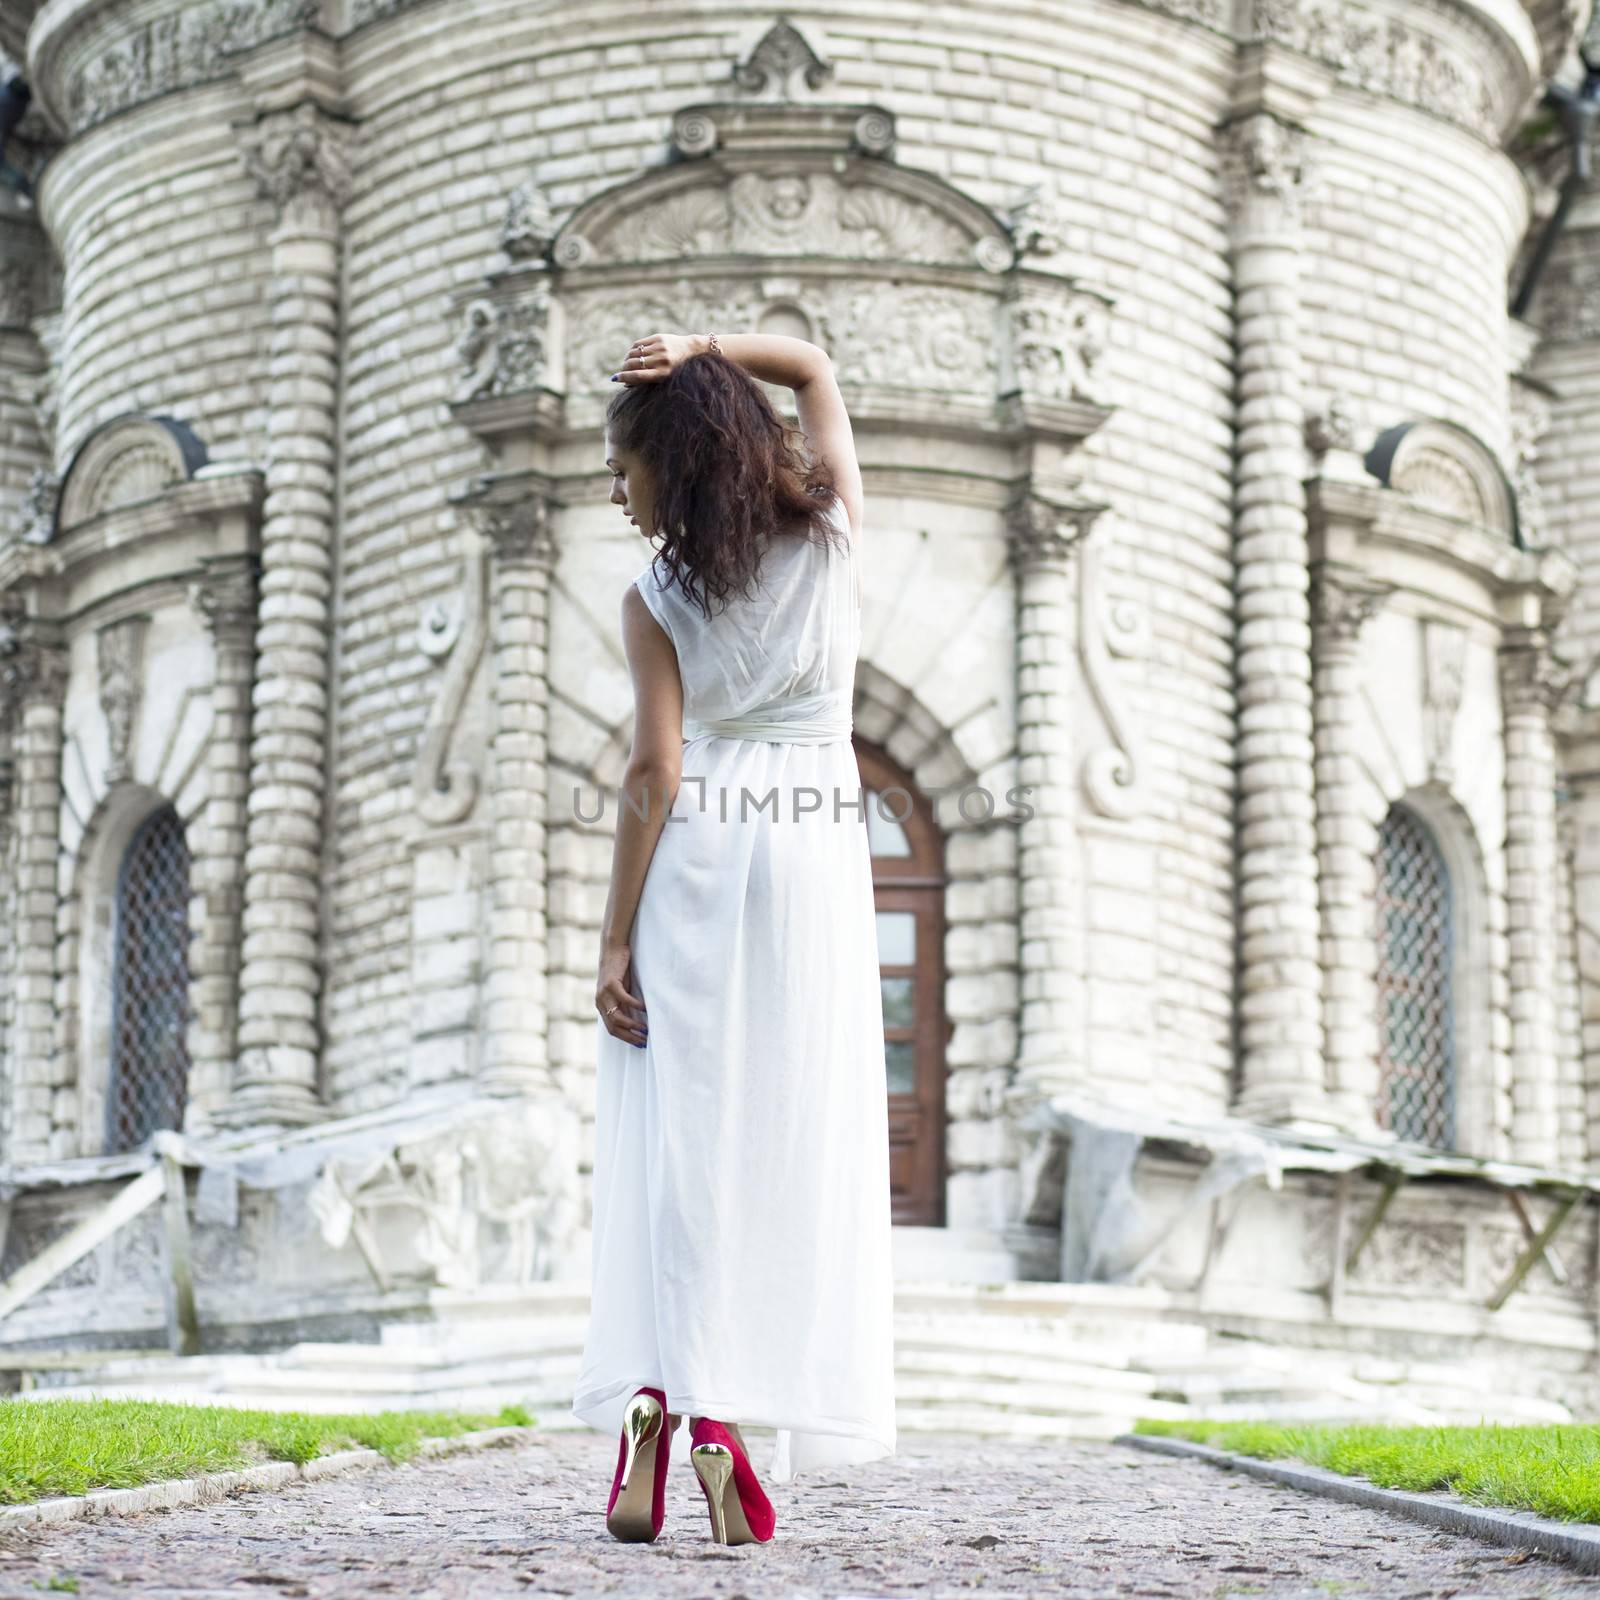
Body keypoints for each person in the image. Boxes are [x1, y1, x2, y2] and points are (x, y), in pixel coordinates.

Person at [569, 331, 896, 1546]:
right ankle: (725, 1424)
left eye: (624, 467)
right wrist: (708, 348)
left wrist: (613, 941)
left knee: (679, 1145)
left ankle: (667, 1407)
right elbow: (811, 370)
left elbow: (656, 768)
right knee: (782, 1137)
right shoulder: (833, 538)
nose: (616, 490)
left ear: (673, 461)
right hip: (812, 863)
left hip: (698, 861)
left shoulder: (653, 598)